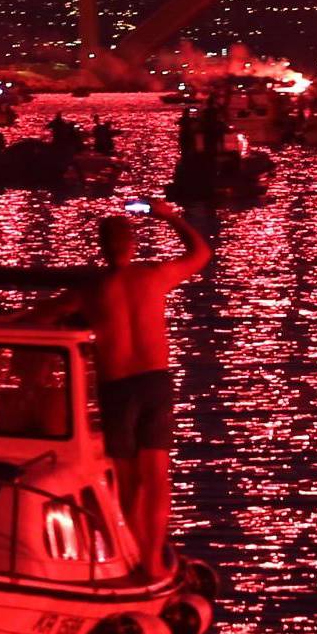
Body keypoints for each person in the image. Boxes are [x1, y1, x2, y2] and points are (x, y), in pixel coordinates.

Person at [83, 201, 212, 581]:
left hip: (116, 385)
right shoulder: (154, 276)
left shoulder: (93, 290)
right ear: (134, 245)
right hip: (153, 380)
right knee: (155, 475)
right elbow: (201, 253)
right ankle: (152, 559)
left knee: (125, 480)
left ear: (102, 248)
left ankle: (129, 551)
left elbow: (47, 313)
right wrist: (169, 215)